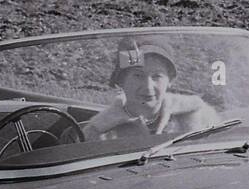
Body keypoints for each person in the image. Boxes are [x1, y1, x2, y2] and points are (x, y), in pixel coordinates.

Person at [85, 38, 215, 141]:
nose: (148, 86)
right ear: (121, 81)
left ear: (170, 80)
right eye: (138, 76)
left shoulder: (199, 115)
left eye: (157, 76)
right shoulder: (99, 133)